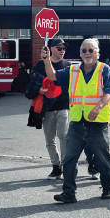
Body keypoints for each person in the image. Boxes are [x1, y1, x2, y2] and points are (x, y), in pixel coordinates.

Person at [44, 38, 110, 203]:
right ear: (80, 54)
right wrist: (46, 59)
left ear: (98, 53)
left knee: (102, 159)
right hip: (77, 123)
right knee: (69, 159)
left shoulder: (105, 70)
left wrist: (97, 108)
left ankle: (108, 188)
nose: (87, 53)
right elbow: (52, 76)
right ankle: (69, 192)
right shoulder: (73, 70)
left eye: (91, 50)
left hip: (97, 124)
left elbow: (109, 93)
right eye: (84, 51)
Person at [32, 39, 71, 180]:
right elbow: (34, 81)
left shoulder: (68, 65)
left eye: (64, 49)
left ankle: (67, 166)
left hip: (63, 106)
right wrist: (39, 90)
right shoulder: (41, 64)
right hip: (47, 107)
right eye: (59, 48)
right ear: (52, 49)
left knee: (64, 136)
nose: (62, 51)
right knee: (50, 139)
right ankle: (56, 167)